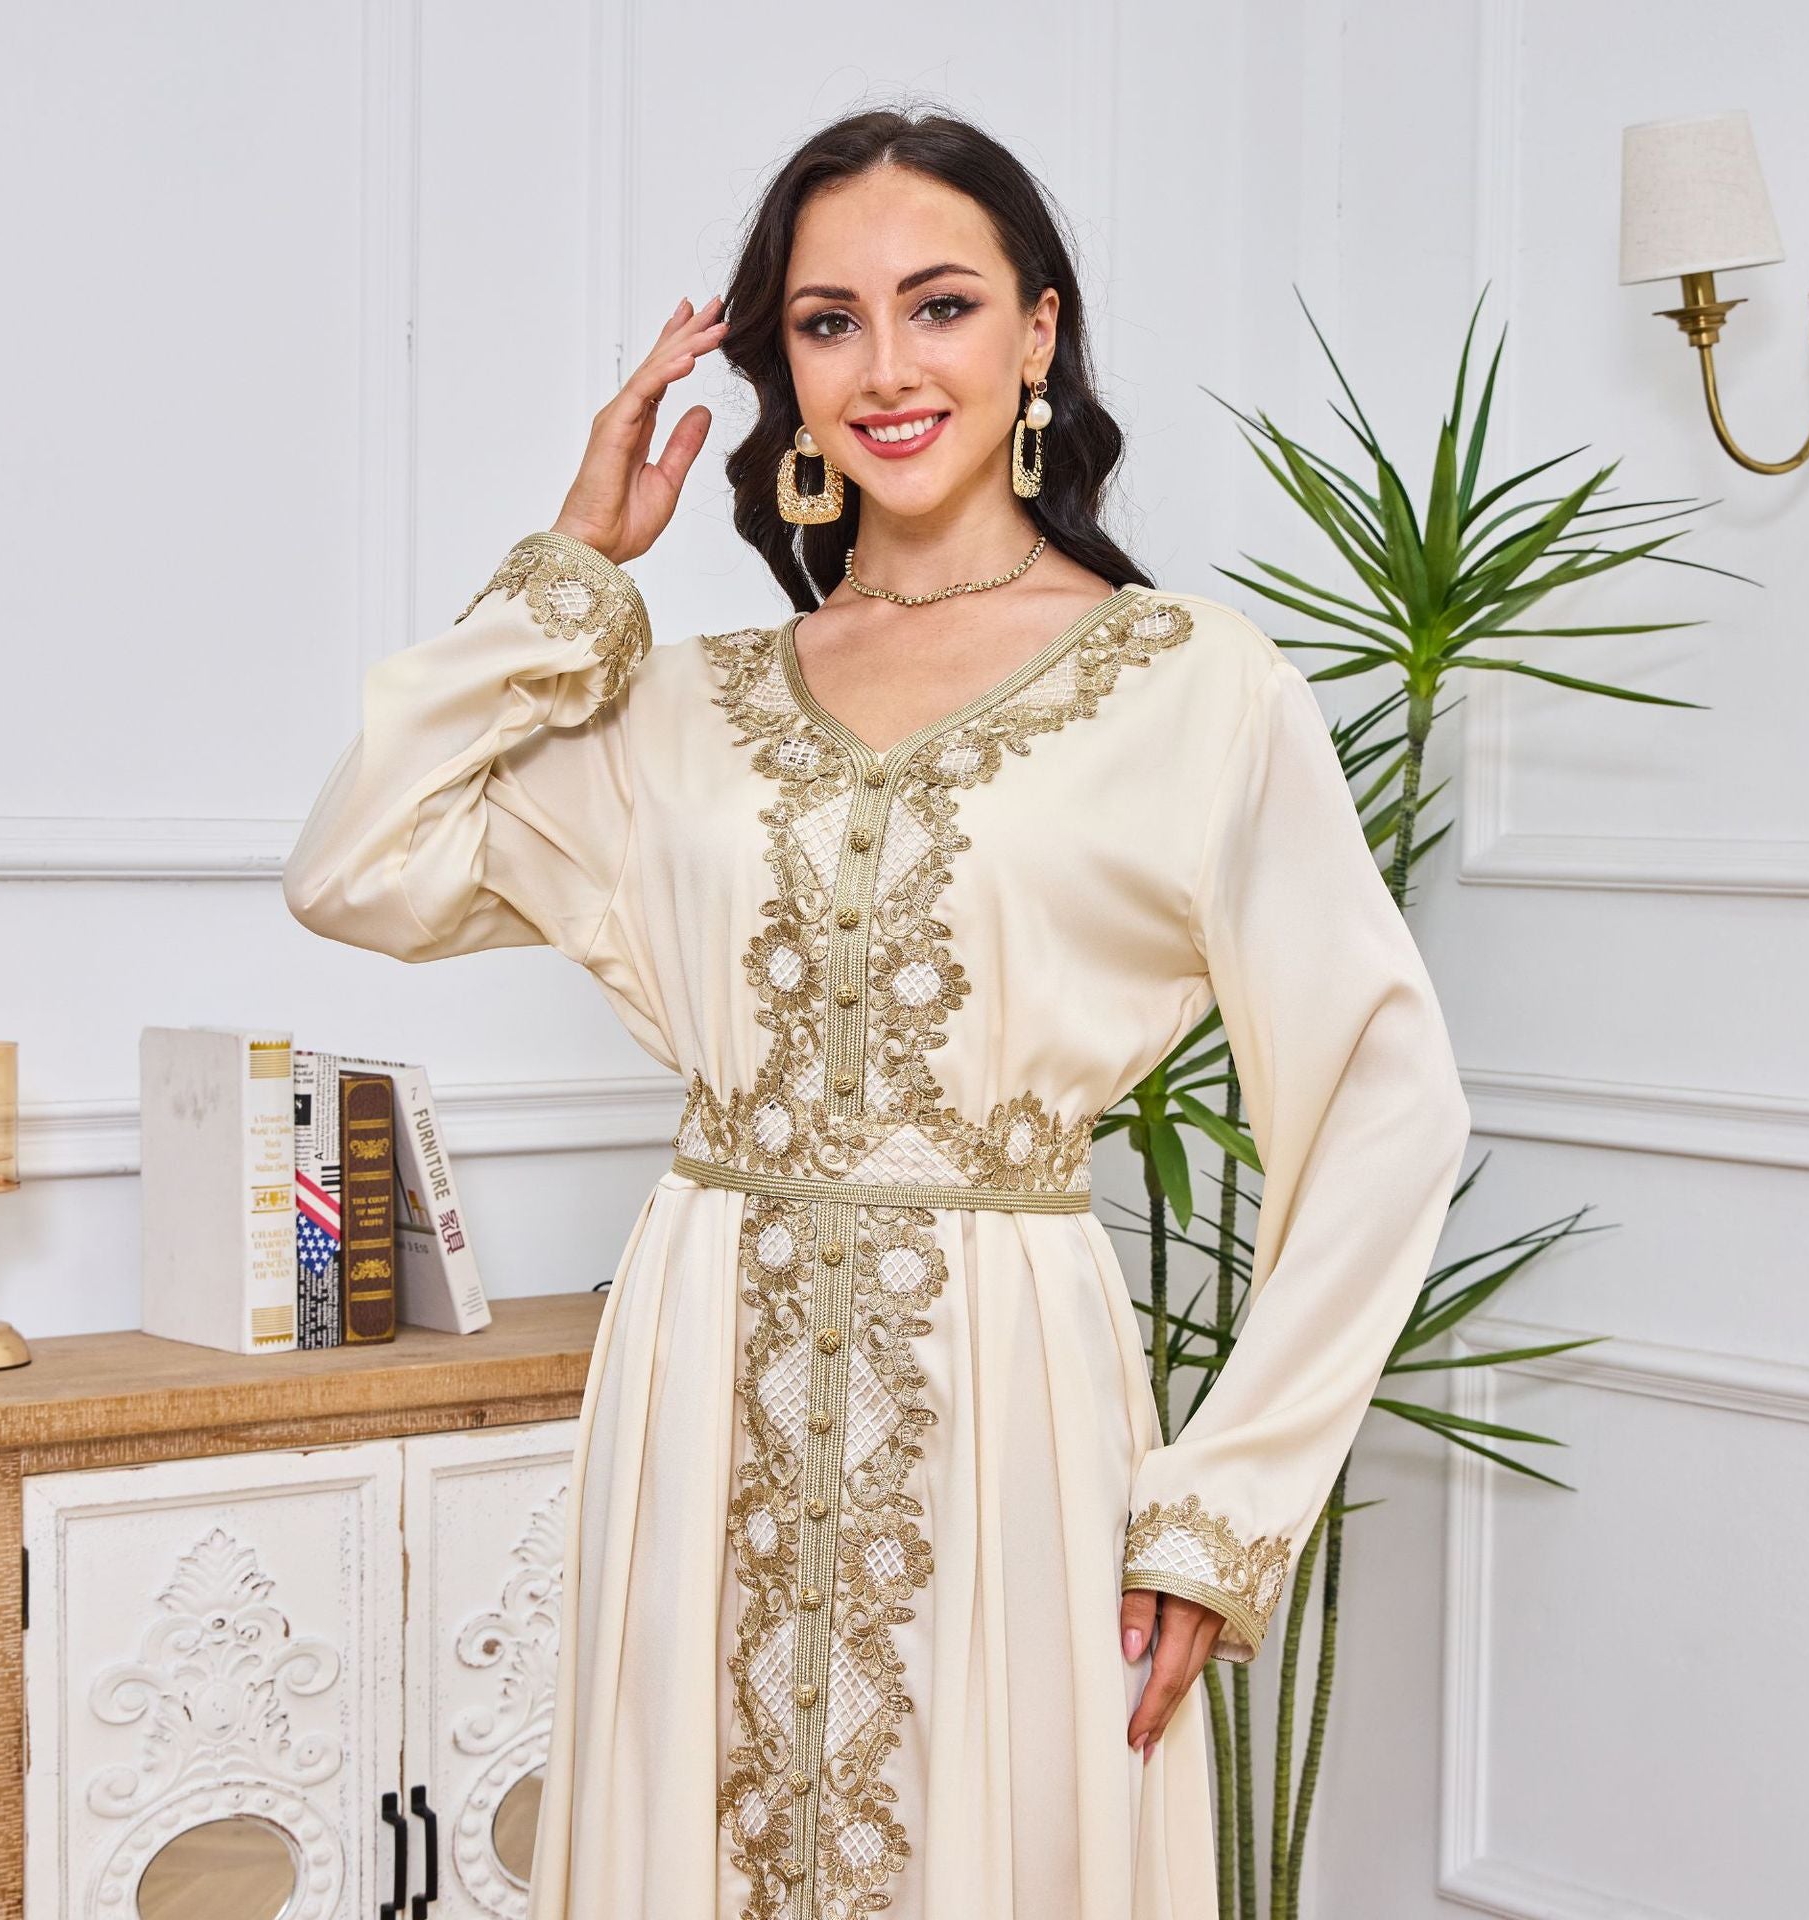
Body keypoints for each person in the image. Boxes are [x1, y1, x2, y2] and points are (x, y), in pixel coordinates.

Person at [282, 105, 1471, 1920]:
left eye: (940, 306)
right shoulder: (686, 705)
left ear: (1039, 338)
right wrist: (572, 570)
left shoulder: (1190, 687)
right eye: (828, 321)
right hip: (698, 1372)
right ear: (783, 367)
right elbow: (362, 864)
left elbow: (1388, 1104)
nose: (887, 367)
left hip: (1008, 1381)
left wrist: (1223, 1511)